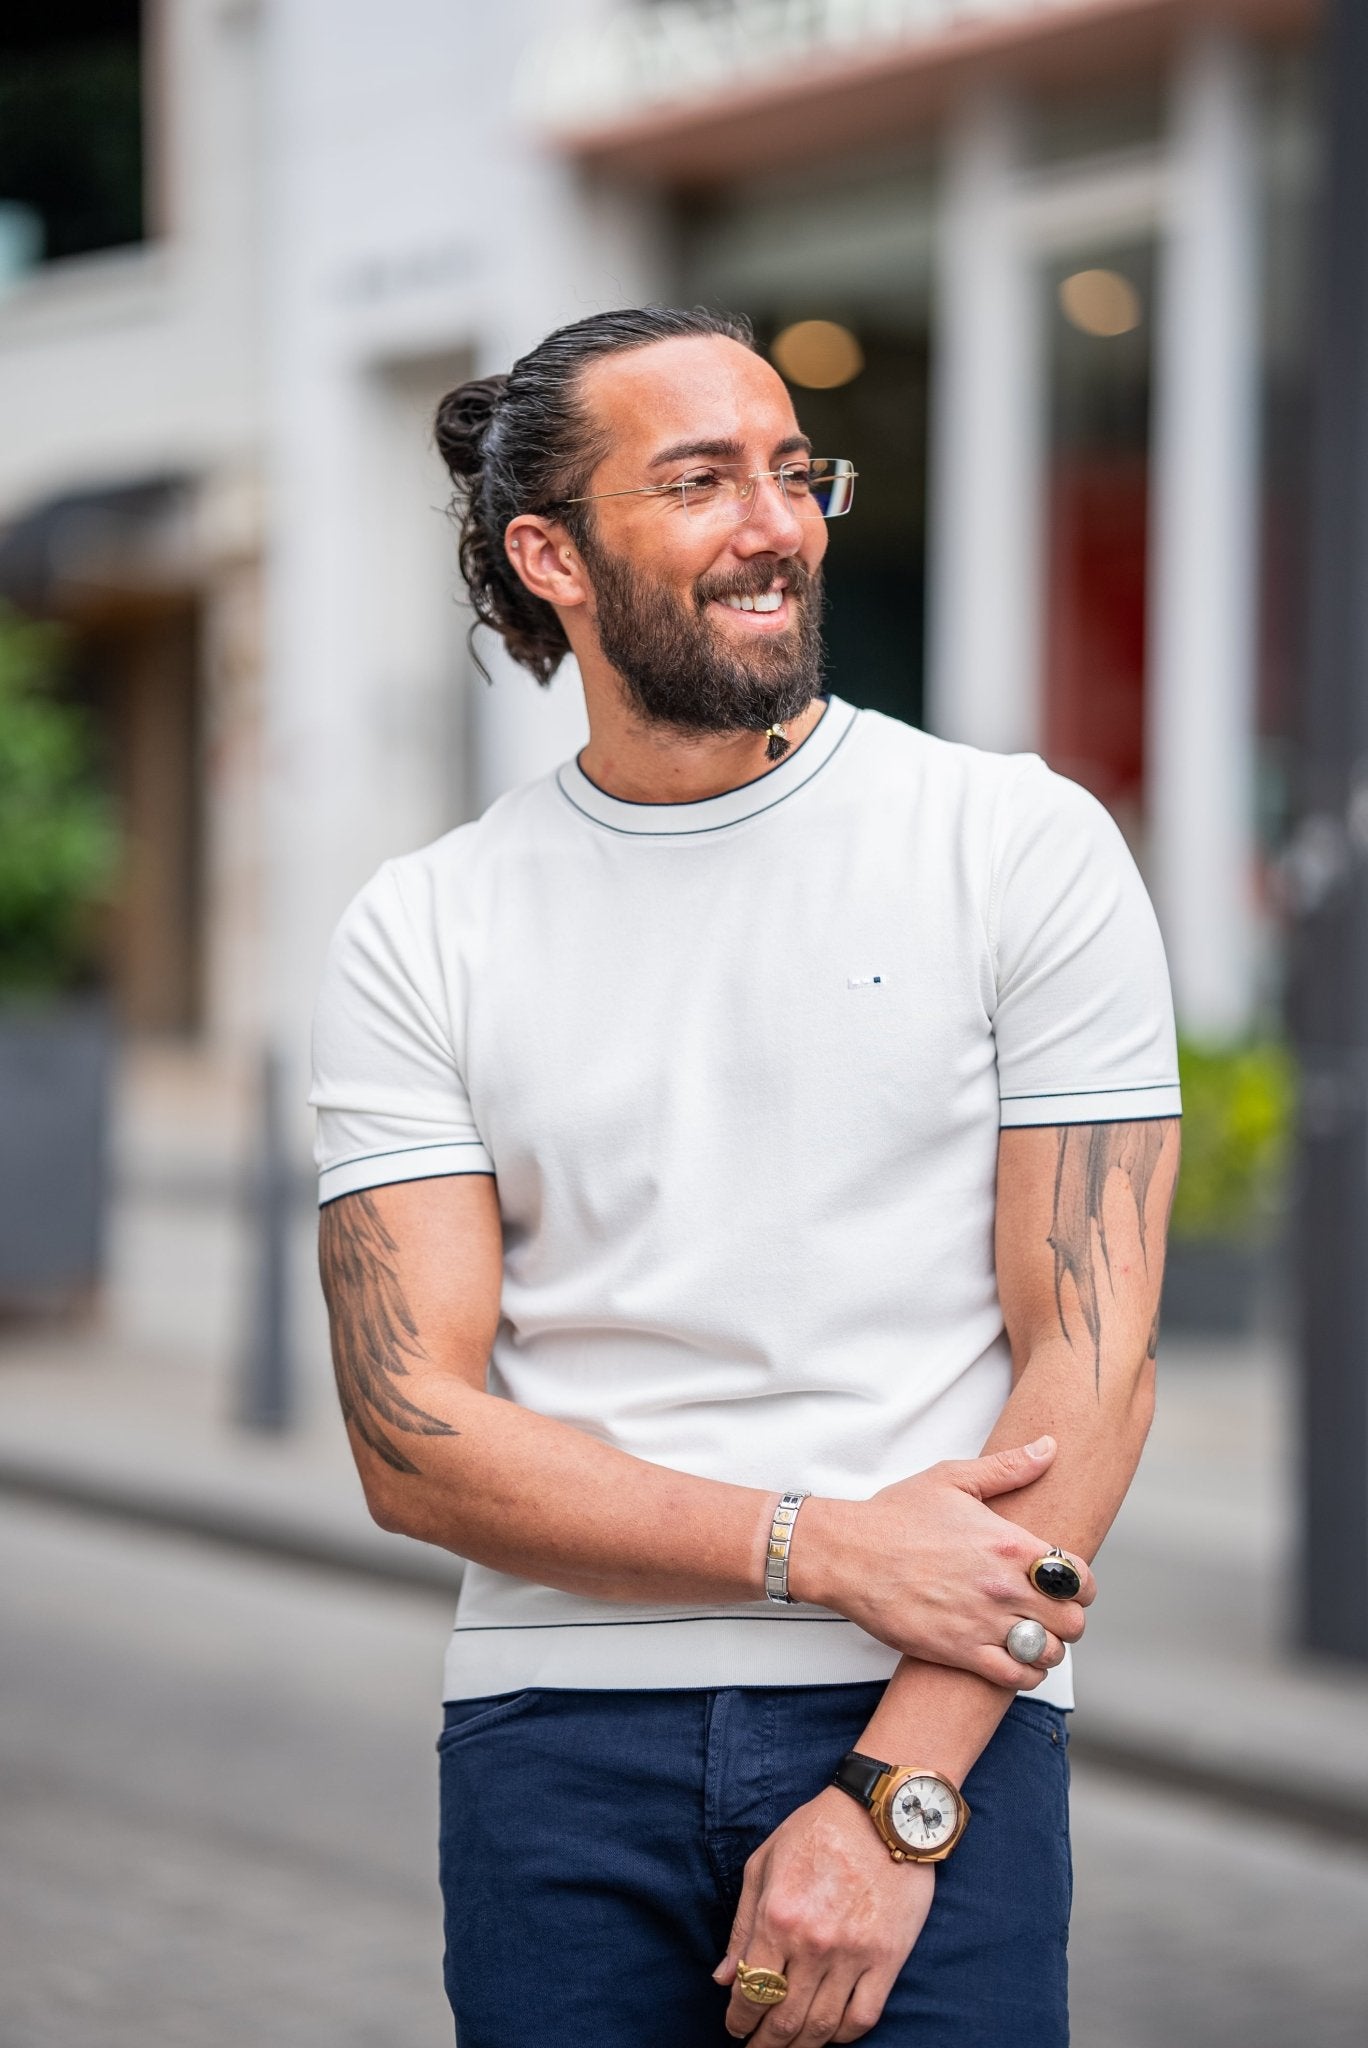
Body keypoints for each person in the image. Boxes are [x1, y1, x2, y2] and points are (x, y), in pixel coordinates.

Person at [310, 305, 1180, 2047]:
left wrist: (891, 1799)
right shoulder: (428, 924)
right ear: (549, 553)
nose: (776, 523)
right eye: (701, 481)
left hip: (936, 1714)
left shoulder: (1015, 843)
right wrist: (817, 1547)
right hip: (556, 1736)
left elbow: (1092, 1366)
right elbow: (412, 1436)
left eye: (795, 474)